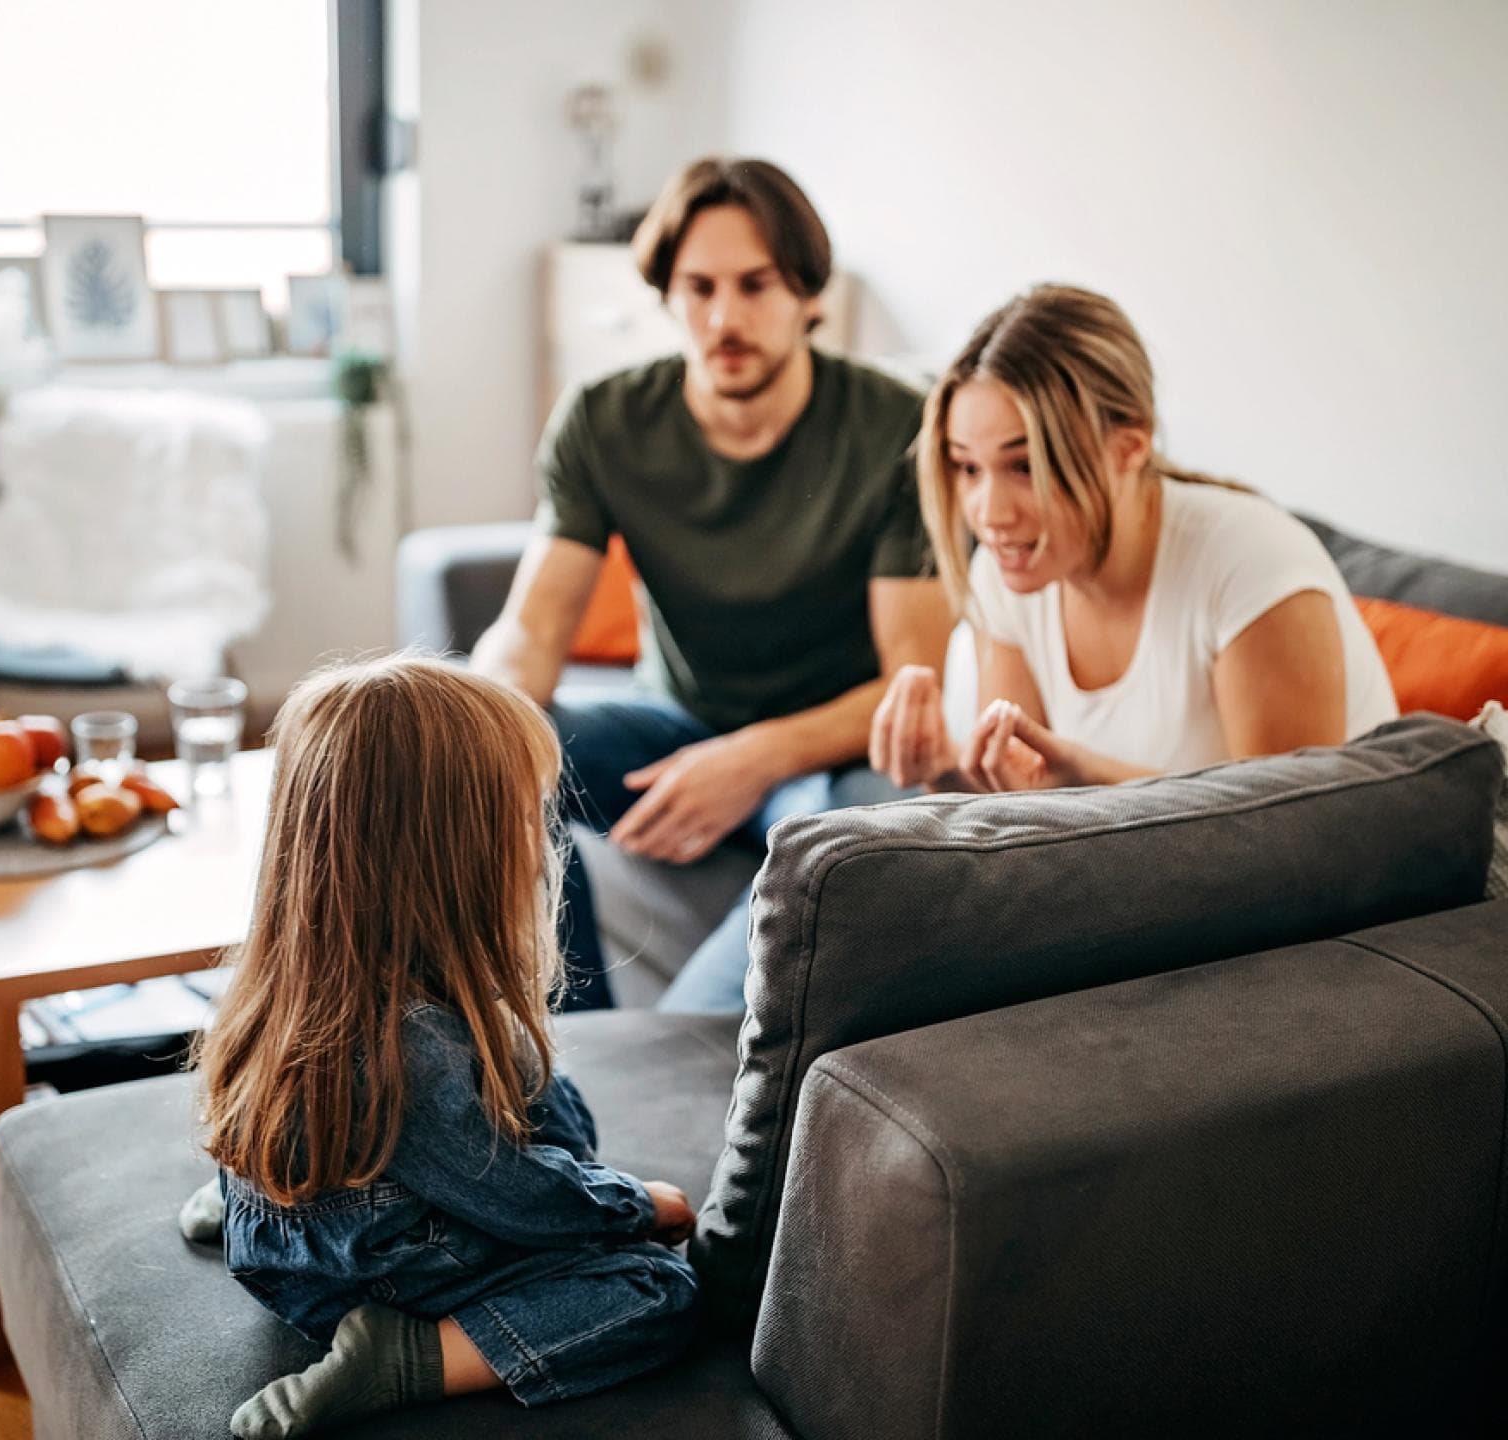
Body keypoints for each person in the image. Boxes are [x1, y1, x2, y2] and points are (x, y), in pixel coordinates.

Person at [473, 156, 953, 1014]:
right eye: (699, 288)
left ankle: (695, 1044)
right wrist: (478, 727)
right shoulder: (605, 419)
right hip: (672, 724)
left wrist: (753, 757)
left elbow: (911, 685)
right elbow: (533, 633)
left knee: (868, 826)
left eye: (755, 285)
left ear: (810, 293)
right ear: (668, 295)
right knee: (509, 747)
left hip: (832, 753)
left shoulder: (896, 427)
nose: (725, 317)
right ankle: (575, 1052)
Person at [190, 657, 699, 1439]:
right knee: (659, 1291)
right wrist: (628, 1206)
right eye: (528, 815)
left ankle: (264, 1201)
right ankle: (406, 1357)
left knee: (541, 1091)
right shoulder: (408, 1046)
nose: (543, 838)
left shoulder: (307, 966)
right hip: (362, 1274)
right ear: (451, 855)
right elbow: (516, 1192)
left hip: (315, 1225)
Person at [871, 284, 1396, 793]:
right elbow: (1018, 807)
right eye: (967, 468)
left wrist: (1092, 785)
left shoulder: (1252, 560)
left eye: (1026, 466)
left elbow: (1288, 831)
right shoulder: (1005, 575)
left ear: (1129, 447)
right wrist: (942, 774)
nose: (990, 513)